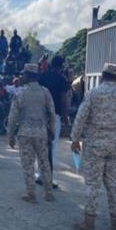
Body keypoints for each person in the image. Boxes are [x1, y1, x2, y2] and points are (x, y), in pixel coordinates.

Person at [70, 62, 116, 230]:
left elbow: (81, 117)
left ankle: (89, 221)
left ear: (101, 76)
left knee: (93, 183)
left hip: (95, 144)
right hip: (115, 143)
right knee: (113, 183)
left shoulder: (93, 94)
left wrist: (75, 139)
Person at [7, 64, 56, 203]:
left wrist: (10, 136)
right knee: (44, 163)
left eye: (23, 74)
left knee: (28, 164)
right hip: (41, 132)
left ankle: (31, 194)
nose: (21, 77)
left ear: (28, 76)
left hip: (25, 133)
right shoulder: (45, 92)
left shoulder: (20, 93)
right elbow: (52, 113)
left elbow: (12, 117)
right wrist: (51, 131)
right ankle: (48, 193)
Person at [37, 55, 71, 190]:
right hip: (54, 116)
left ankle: (40, 175)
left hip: (40, 115)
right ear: (61, 66)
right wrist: (65, 118)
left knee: (40, 145)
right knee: (52, 147)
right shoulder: (61, 80)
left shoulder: (42, 77)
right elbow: (63, 101)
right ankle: (48, 178)